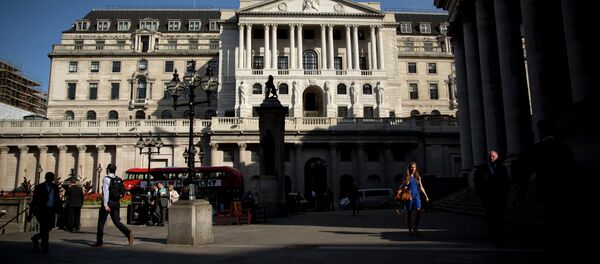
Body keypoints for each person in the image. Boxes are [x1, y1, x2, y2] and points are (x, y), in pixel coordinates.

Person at [92, 164, 133, 247]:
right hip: (116, 203)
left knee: (101, 222)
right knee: (117, 222)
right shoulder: (119, 179)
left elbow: (106, 192)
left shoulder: (106, 179)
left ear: (107, 170)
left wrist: (105, 204)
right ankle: (128, 233)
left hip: (108, 203)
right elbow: (122, 192)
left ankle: (99, 241)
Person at [474, 150, 510, 241]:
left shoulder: (502, 168)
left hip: (500, 197)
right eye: (490, 156)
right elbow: (477, 181)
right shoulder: (481, 168)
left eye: (493, 156)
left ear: (497, 157)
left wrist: (506, 194)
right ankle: (493, 233)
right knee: (490, 216)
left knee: (500, 216)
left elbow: (506, 181)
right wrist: (480, 194)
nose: (491, 158)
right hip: (488, 197)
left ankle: (499, 232)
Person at [29, 171, 61, 252]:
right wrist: (30, 213)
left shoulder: (55, 187)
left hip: (51, 210)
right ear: (46, 178)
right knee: (44, 229)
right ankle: (45, 247)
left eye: (52, 178)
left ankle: (35, 238)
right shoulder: (39, 187)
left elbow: (57, 199)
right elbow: (34, 200)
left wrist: (59, 209)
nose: (51, 179)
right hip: (42, 210)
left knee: (49, 227)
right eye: (50, 178)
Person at [401, 162, 429, 236]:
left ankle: (415, 227)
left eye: (414, 167)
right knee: (409, 213)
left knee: (419, 211)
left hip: (416, 196)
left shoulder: (417, 176)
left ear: (416, 168)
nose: (413, 168)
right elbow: (403, 186)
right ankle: (410, 229)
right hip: (408, 197)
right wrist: (407, 183)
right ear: (409, 168)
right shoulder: (406, 176)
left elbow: (421, 187)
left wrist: (426, 196)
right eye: (411, 167)